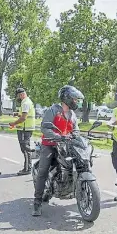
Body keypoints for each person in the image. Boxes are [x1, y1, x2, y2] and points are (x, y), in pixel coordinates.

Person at [33, 85, 84, 216]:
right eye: (75, 99)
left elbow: (76, 130)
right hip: (50, 144)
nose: (76, 102)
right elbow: (45, 128)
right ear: (67, 98)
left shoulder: (72, 114)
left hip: (67, 145)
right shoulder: (53, 110)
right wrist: (58, 136)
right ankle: (37, 202)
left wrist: (76, 135)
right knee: (43, 170)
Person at [9, 88, 36, 175]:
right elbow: (24, 114)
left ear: (21, 94)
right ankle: (27, 167)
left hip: (25, 128)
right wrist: (17, 114)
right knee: (24, 148)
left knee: (25, 148)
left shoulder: (25, 102)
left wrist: (14, 123)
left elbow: (24, 118)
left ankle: (27, 169)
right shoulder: (26, 101)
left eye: (18, 96)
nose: (18, 98)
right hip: (25, 128)